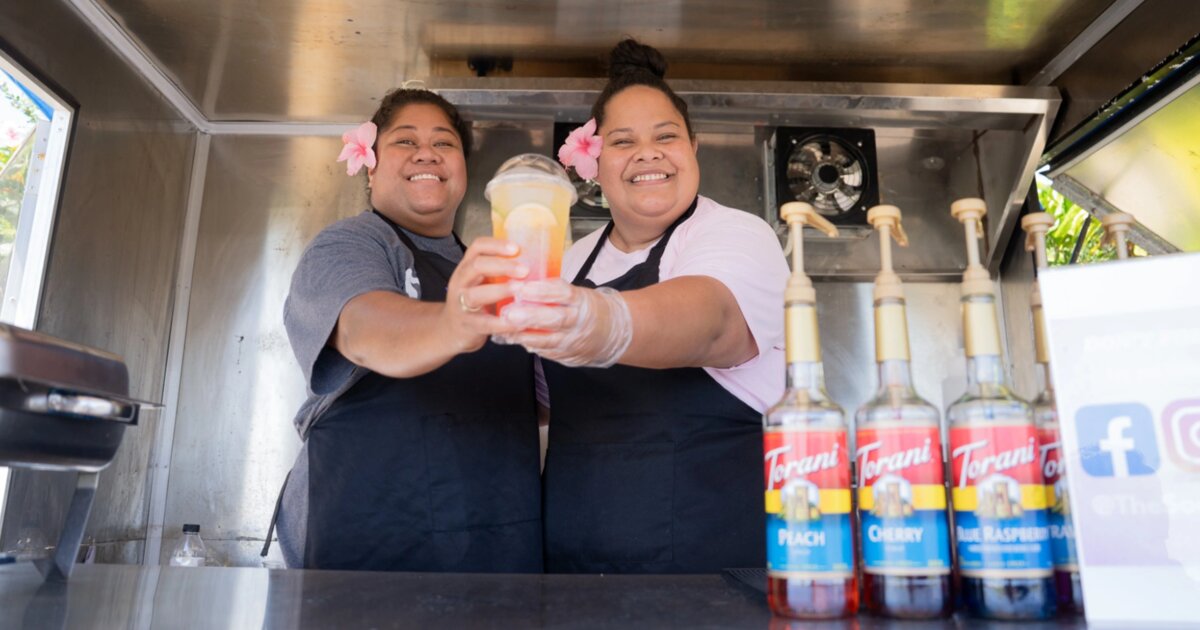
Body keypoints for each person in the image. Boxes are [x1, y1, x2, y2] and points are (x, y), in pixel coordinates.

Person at [501, 39, 790, 573]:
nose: (648, 153)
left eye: (666, 136)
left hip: (713, 578)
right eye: (623, 141)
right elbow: (537, 401)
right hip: (572, 577)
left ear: (693, 148)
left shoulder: (735, 234)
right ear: (595, 162)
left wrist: (598, 321)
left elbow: (712, 324)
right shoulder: (569, 263)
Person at [269, 88, 542, 572]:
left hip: (495, 548)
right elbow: (363, 330)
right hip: (369, 547)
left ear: (462, 170)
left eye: (444, 143)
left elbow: (535, 400)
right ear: (370, 164)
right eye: (404, 141)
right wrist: (453, 322)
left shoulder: (500, 273)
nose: (426, 153)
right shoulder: (349, 245)